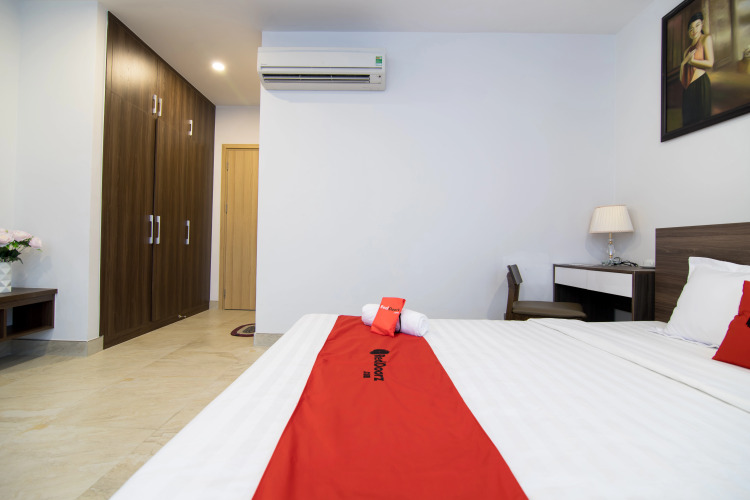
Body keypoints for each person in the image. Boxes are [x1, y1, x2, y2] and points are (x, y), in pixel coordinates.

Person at [680, 12, 714, 127]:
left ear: (702, 24)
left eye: (697, 25)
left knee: (703, 121)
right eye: (691, 28)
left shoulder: (705, 39)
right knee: (688, 123)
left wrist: (692, 61)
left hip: (701, 83)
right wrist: (683, 63)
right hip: (688, 88)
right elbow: (682, 78)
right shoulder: (687, 51)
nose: (694, 30)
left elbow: (710, 63)